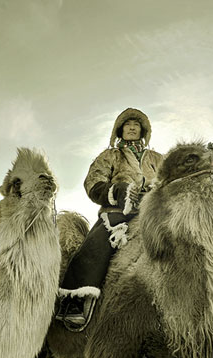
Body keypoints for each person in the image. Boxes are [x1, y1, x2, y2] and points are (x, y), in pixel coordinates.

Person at [56, 108, 163, 331]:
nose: (132, 127)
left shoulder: (157, 158)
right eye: (128, 124)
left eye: (136, 124)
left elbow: (169, 180)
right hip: (116, 215)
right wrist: (118, 191)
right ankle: (75, 300)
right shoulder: (110, 156)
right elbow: (93, 184)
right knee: (94, 247)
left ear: (143, 130)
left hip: (153, 213)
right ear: (120, 130)